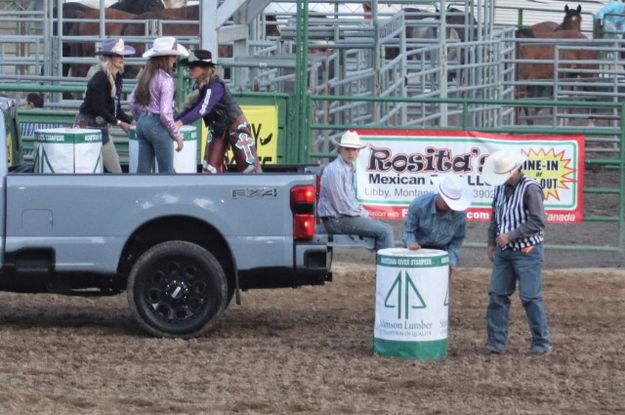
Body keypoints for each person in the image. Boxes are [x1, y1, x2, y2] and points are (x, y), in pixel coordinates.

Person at [482, 150, 551, 356]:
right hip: (505, 251)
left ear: (514, 171)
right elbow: (496, 215)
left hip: (527, 250)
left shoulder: (530, 189)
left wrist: (510, 235)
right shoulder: (500, 189)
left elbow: (538, 221)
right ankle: (496, 342)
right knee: (497, 295)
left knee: (530, 297)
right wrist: (491, 241)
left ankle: (541, 341)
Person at [175, 49, 262, 173]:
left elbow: (202, 108)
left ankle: (258, 190)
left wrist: (180, 122)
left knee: (249, 167)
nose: (190, 69)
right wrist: (174, 121)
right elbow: (192, 108)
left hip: (235, 125)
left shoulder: (215, 86)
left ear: (204, 68)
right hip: (218, 128)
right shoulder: (201, 87)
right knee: (210, 168)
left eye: (193, 66)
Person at [317, 130, 394, 251]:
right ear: (341, 149)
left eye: (354, 150)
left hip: (339, 218)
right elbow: (342, 205)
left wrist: (363, 214)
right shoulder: (335, 170)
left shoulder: (346, 168)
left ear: (358, 152)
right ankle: (386, 268)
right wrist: (363, 214)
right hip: (336, 220)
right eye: (348, 149)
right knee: (385, 231)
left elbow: (349, 200)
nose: (351, 153)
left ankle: (383, 265)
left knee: (383, 228)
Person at [129, 36, 188, 174]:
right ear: (166, 58)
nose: (174, 60)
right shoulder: (166, 81)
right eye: (173, 57)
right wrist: (177, 136)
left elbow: (132, 101)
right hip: (158, 125)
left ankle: (139, 195)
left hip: (143, 122)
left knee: (142, 171)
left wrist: (139, 118)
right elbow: (165, 114)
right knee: (166, 171)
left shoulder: (146, 76)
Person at [75, 38, 135, 173]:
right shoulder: (100, 78)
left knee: (113, 168)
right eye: (118, 55)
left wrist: (130, 121)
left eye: (123, 55)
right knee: (87, 169)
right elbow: (99, 108)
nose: (122, 58)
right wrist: (120, 123)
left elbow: (115, 108)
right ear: (109, 58)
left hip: (100, 126)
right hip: (88, 125)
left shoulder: (117, 77)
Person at [402, 175, 472, 271]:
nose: (448, 204)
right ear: (439, 195)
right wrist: (411, 243)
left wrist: (451, 259)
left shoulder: (459, 215)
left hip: (442, 251)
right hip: (418, 249)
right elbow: (409, 230)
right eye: (446, 201)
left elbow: (457, 239)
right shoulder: (418, 205)